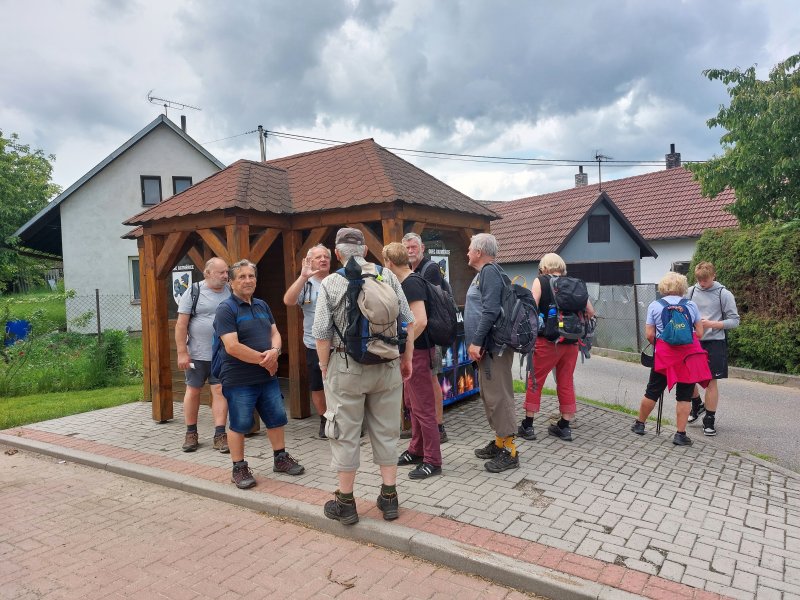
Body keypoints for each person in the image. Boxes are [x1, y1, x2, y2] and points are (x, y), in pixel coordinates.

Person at [313, 228, 414, 525]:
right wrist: (405, 359)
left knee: (344, 433)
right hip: (387, 365)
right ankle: (390, 498)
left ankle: (346, 503)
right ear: (366, 251)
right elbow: (408, 320)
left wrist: (323, 365)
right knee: (386, 432)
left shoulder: (331, 282)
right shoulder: (388, 276)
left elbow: (321, 332)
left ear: (337, 253)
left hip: (346, 367)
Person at [215, 259, 305, 489]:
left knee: (276, 417)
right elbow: (232, 346)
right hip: (239, 379)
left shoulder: (262, 305)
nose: (248, 280)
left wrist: (275, 351)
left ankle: (280, 458)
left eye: (251, 276)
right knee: (240, 423)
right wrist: (266, 362)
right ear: (232, 282)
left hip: (267, 377)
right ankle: (239, 468)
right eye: (242, 277)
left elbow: (275, 334)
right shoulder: (226, 309)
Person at [522, 253, 595, 442]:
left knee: (535, 380)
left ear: (543, 267)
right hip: (571, 342)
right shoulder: (574, 283)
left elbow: (531, 307)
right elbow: (591, 311)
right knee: (566, 382)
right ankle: (564, 427)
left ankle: (528, 426)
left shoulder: (541, 281)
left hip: (547, 341)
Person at [631, 271, 710, 446]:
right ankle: (680, 435)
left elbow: (649, 334)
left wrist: (661, 345)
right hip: (688, 356)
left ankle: (640, 424)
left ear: (663, 287)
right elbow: (699, 333)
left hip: (664, 356)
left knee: (652, 391)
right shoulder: (691, 305)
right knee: (684, 396)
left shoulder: (655, 305)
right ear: (682, 287)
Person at [384, 242, 442, 479]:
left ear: (389, 262)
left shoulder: (411, 283)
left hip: (418, 352)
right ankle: (416, 449)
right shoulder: (406, 282)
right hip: (414, 352)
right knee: (412, 404)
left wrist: (404, 349)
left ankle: (433, 460)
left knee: (424, 408)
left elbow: (420, 321)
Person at [464, 233, 519, 473]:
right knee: (490, 396)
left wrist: (476, 341)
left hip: (494, 347)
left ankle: (511, 451)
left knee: (500, 396)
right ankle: (500, 442)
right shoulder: (487, 273)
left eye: (469, 249)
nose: (467, 253)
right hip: (490, 348)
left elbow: (491, 310)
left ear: (478, 252)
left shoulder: (489, 272)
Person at [175, 257, 231, 453]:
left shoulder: (231, 291)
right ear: (207, 273)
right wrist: (182, 352)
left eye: (227, 272)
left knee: (219, 392)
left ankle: (220, 434)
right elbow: (181, 324)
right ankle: (191, 433)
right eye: (221, 272)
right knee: (193, 390)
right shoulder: (194, 291)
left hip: (221, 354)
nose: (226, 276)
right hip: (197, 354)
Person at [402, 232, 448, 443]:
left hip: (428, 335)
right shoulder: (412, 270)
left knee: (432, 379)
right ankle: (421, 429)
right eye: (407, 248)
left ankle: (438, 427)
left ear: (422, 248)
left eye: (414, 247)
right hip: (419, 335)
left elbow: (425, 307)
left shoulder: (429, 269)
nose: (411, 251)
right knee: (422, 382)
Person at [283, 244, 332, 439]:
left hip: (340, 344)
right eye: (318, 257)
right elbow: (288, 300)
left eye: (325, 256)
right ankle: (324, 421)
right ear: (310, 261)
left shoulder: (338, 280)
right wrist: (303, 276)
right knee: (318, 385)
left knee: (340, 386)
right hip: (314, 345)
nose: (322, 260)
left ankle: (343, 420)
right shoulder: (307, 284)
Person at [686, 261, 740, 436]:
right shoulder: (691, 292)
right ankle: (697, 404)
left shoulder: (724, 294)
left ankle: (709, 419)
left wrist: (712, 324)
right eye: (699, 280)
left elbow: (734, 321)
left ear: (713, 276)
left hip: (715, 342)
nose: (702, 284)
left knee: (710, 381)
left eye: (706, 280)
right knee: (687, 377)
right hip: (693, 341)